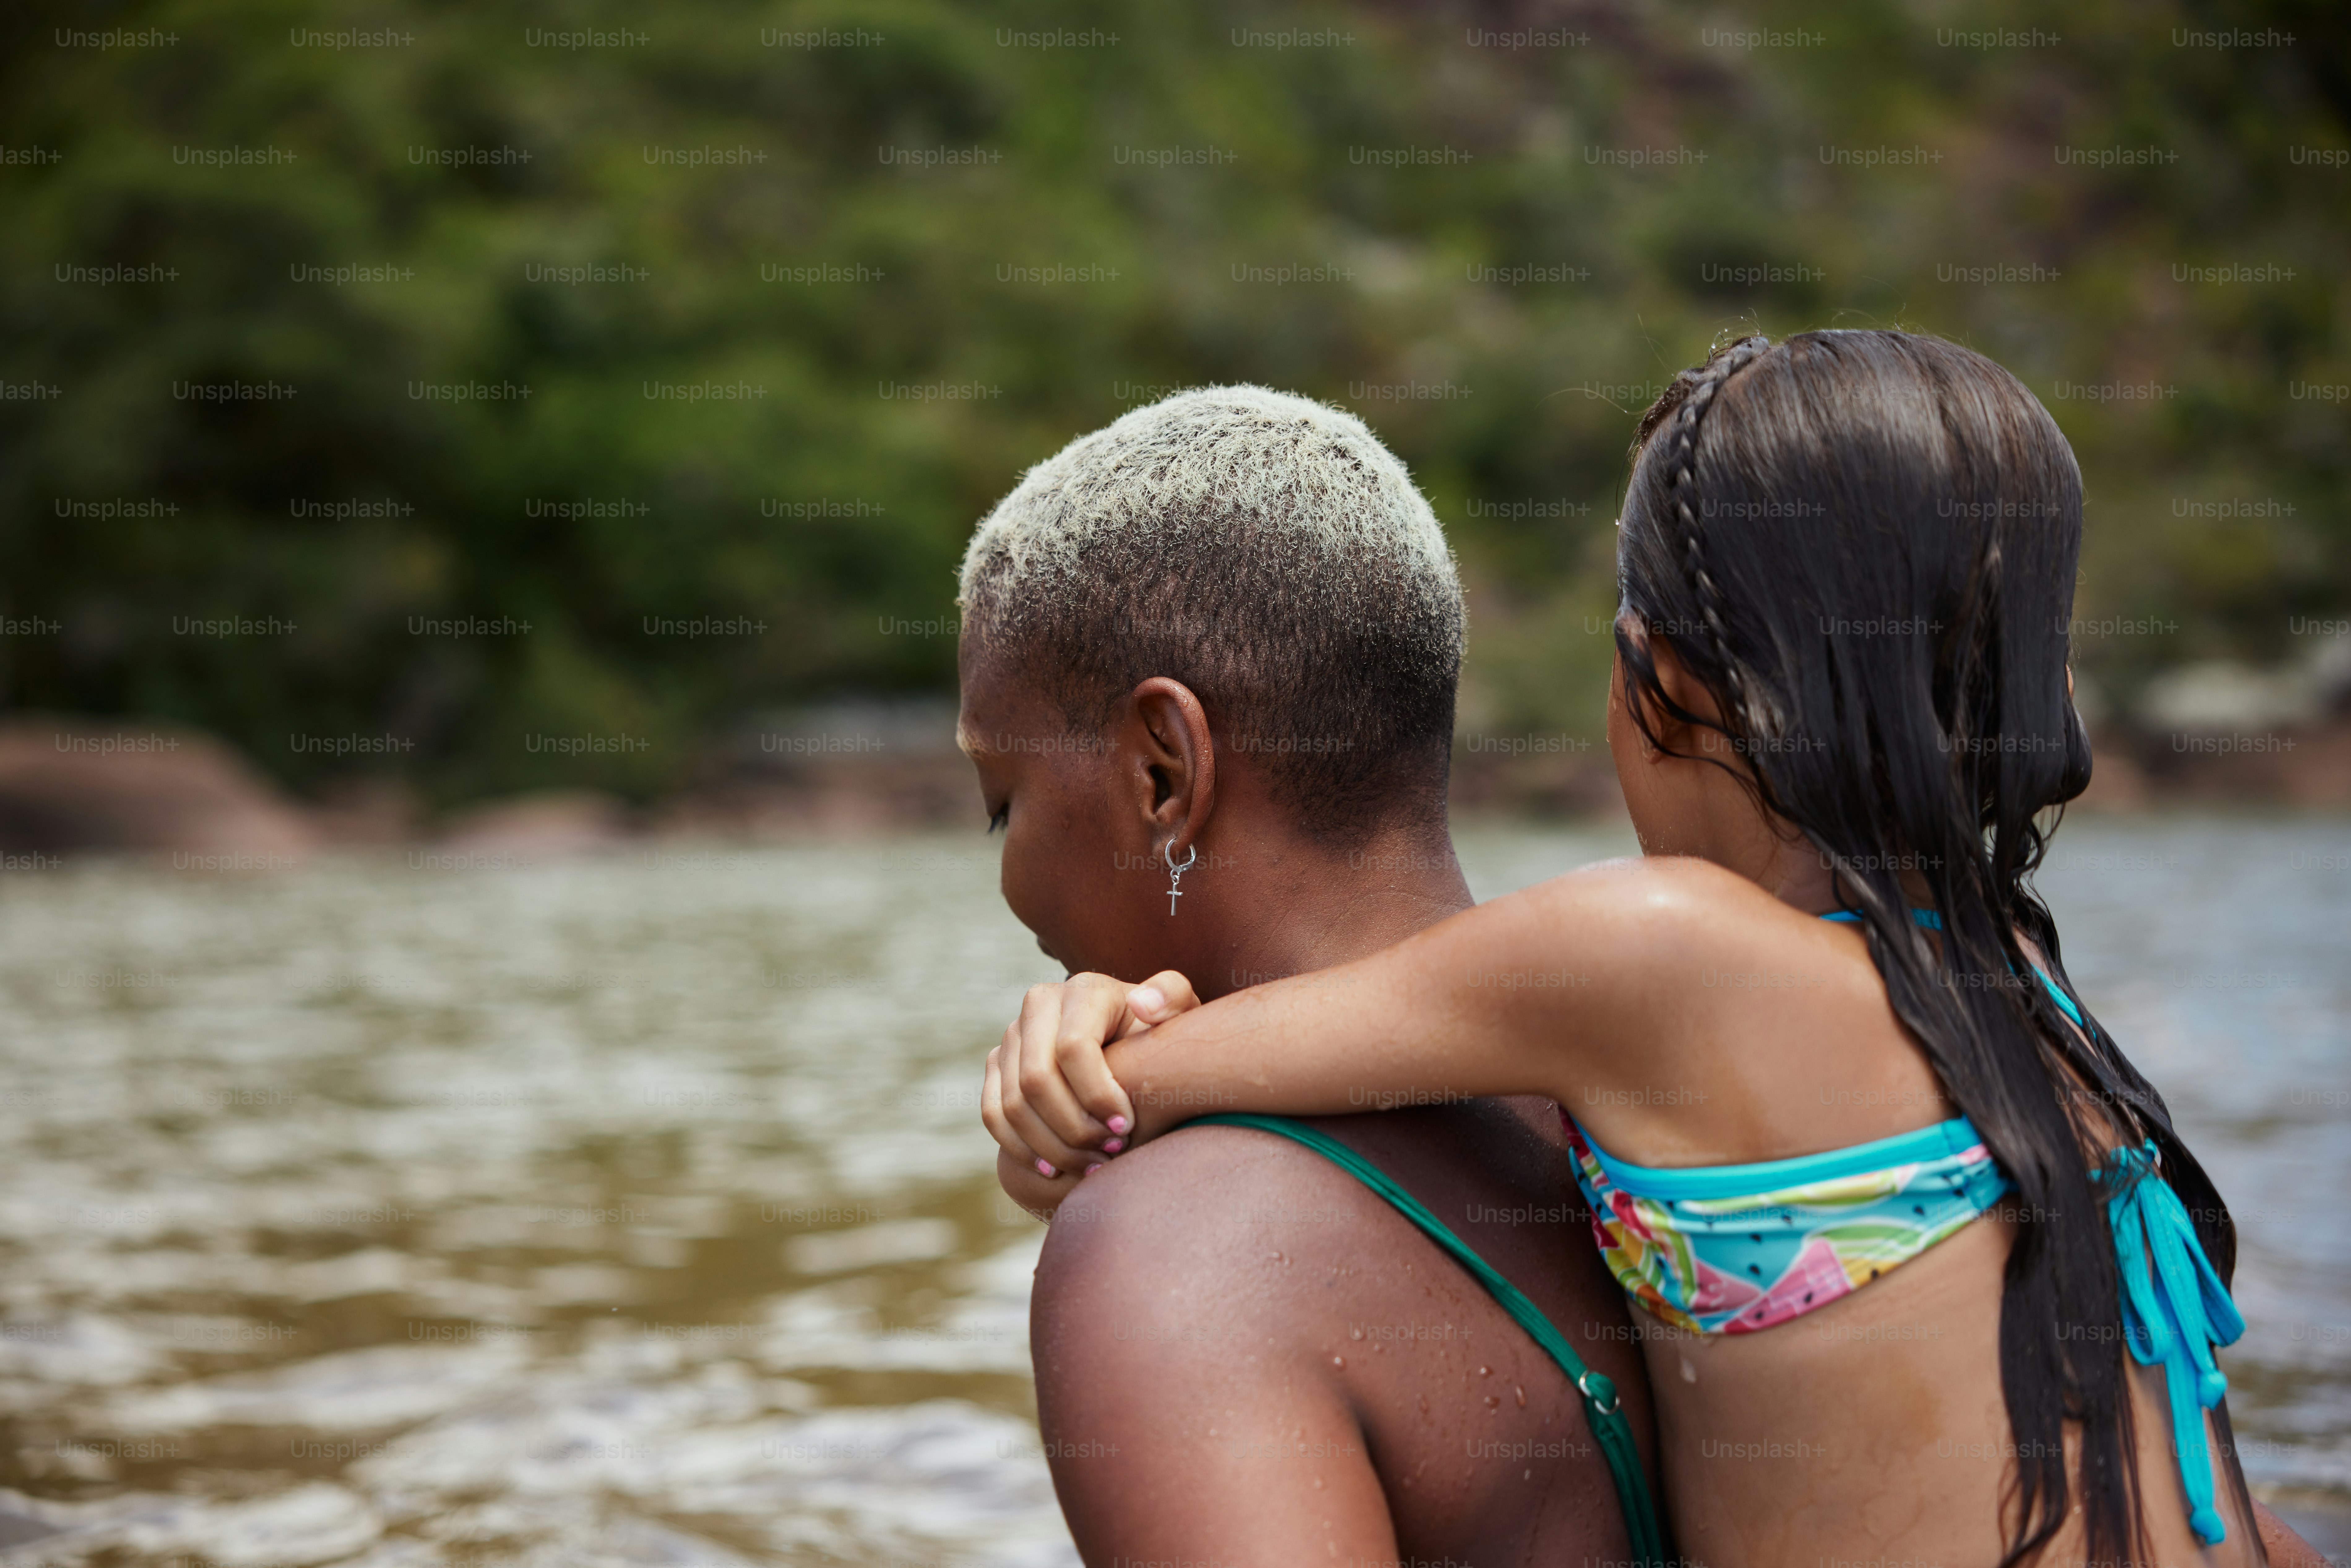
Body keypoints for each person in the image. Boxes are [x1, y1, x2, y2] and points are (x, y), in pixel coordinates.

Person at [985, 332, 2330, 1566]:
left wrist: (1089, 1072)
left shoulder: (1656, 957)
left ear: (1664, 684)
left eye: (1002, 802)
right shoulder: (2012, 990)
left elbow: (1170, 1078)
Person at [955, 386, 1664, 1564]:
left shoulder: (1180, 1251)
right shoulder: (1659, 1092)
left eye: (1000, 805)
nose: (1006, 875)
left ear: (1162, 772)